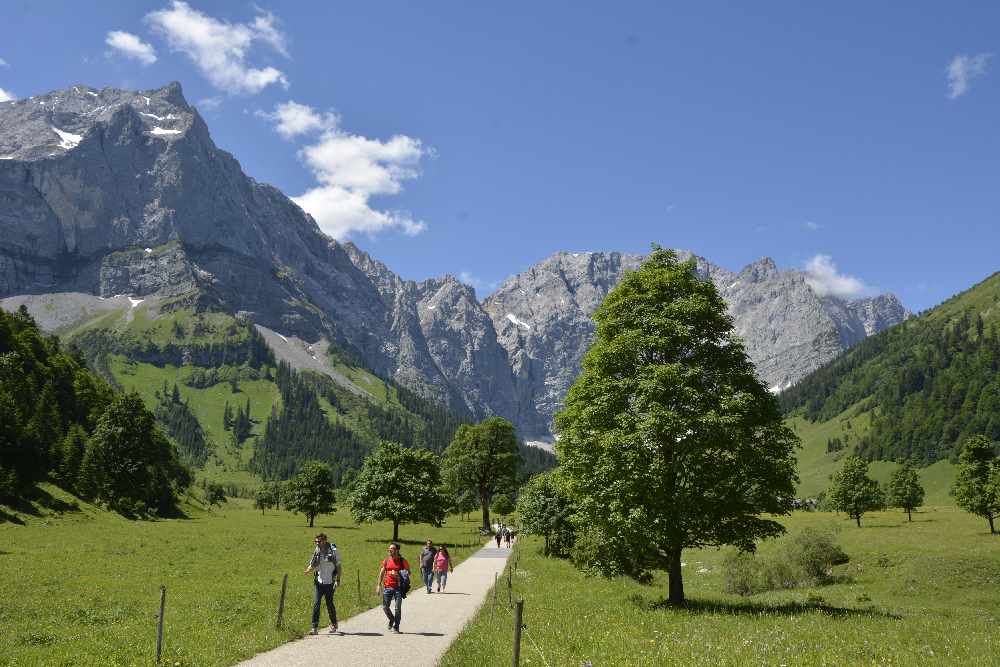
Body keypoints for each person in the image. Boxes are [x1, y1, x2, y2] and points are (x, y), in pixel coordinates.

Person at [304, 533, 341, 635]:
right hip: (319, 582)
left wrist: (338, 580)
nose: (317, 543)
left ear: (324, 541)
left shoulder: (333, 552)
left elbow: (338, 567)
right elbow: (313, 563)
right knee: (316, 603)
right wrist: (307, 570)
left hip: (330, 582)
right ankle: (314, 627)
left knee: (329, 604)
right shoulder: (317, 551)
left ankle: (334, 624)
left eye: (318, 541)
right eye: (315, 541)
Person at [376, 542, 409, 634]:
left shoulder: (403, 561)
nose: (389, 550)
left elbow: (408, 573)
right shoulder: (386, 560)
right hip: (387, 587)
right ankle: (392, 619)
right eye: (389, 548)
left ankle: (396, 627)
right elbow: (382, 572)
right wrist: (379, 585)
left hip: (399, 587)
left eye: (392, 548)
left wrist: (398, 575)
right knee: (385, 607)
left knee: (397, 608)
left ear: (397, 550)